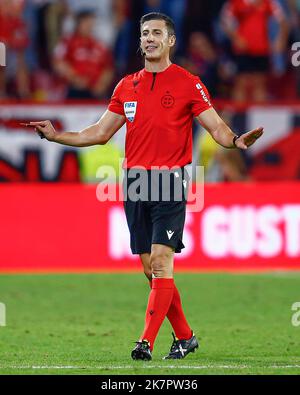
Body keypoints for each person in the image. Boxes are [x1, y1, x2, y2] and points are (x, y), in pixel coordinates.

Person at [27, 12, 264, 361]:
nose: (149, 38)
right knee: (148, 267)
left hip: (170, 182)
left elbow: (216, 128)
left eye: (156, 33)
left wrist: (235, 140)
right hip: (135, 184)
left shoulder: (188, 83)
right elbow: (99, 132)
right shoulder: (126, 85)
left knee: (162, 261)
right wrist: (57, 135)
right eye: (144, 34)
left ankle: (145, 343)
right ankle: (185, 336)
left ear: (170, 40)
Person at [221, 0, 288, 102]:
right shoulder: (236, 2)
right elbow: (225, 20)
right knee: (241, 82)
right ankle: (239, 116)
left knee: (260, 83)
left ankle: (258, 116)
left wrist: (281, 39)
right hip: (243, 50)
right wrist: (235, 38)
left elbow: (283, 21)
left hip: (261, 49)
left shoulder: (268, 2)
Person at [53, 10, 114, 99]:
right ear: (78, 24)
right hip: (73, 89)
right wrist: (74, 78)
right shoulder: (68, 42)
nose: (89, 26)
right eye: (86, 23)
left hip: (95, 91)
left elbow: (108, 68)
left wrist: (101, 84)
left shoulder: (99, 45)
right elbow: (58, 62)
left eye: (91, 23)